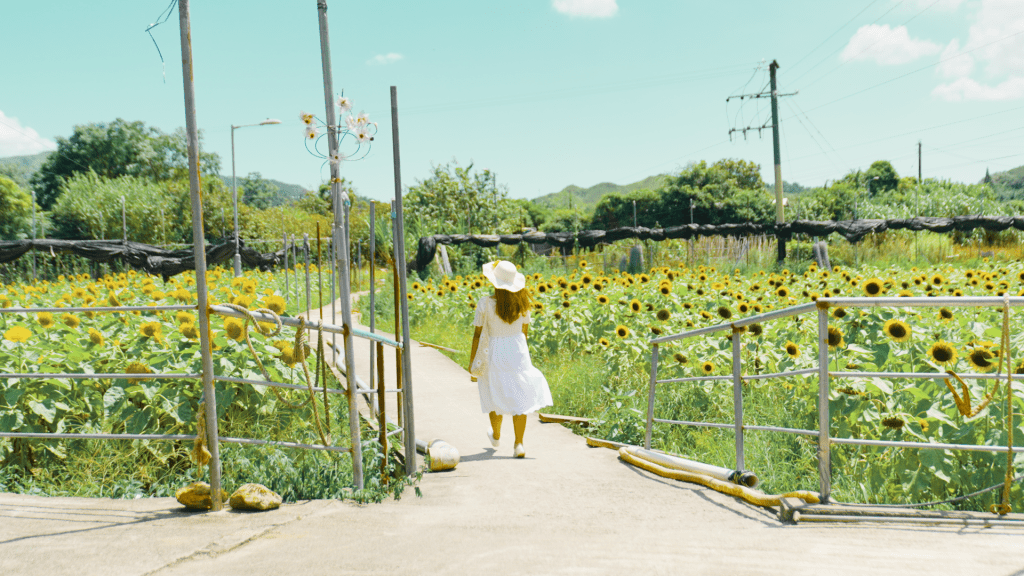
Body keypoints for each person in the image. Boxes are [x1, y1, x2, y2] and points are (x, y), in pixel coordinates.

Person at [468, 260, 552, 458]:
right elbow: (524, 332)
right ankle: (519, 444)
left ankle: (496, 435)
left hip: (495, 349)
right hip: (517, 349)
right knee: (519, 395)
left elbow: (478, 335)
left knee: (494, 391)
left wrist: (472, 362)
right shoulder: (523, 304)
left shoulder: (485, 303)